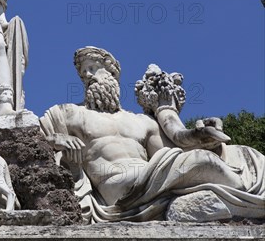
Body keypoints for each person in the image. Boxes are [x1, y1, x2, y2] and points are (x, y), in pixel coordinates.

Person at [40, 46, 265, 223]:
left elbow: (172, 152)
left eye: (92, 67)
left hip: (152, 178)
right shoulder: (68, 113)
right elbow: (34, 141)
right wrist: (56, 139)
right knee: (201, 160)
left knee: (243, 154)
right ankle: (249, 196)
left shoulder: (141, 121)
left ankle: (240, 198)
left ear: (112, 72)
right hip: (117, 187)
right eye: (82, 73)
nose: (87, 75)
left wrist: (201, 135)